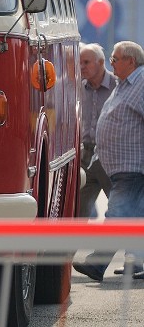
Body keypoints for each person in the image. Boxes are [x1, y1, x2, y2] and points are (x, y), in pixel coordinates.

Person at [73, 41, 144, 282]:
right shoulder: (125, 84)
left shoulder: (140, 83)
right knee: (131, 214)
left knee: (118, 213)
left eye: (115, 59)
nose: (112, 63)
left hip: (131, 164)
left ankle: (97, 263)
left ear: (130, 61)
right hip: (107, 161)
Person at [77, 43, 116, 219]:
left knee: (118, 208)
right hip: (85, 156)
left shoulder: (119, 86)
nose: (82, 67)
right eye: (80, 63)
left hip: (110, 157)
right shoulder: (79, 87)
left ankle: (112, 246)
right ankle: (66, 246)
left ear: (100, 63)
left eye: (86, 62)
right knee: (78, 208)